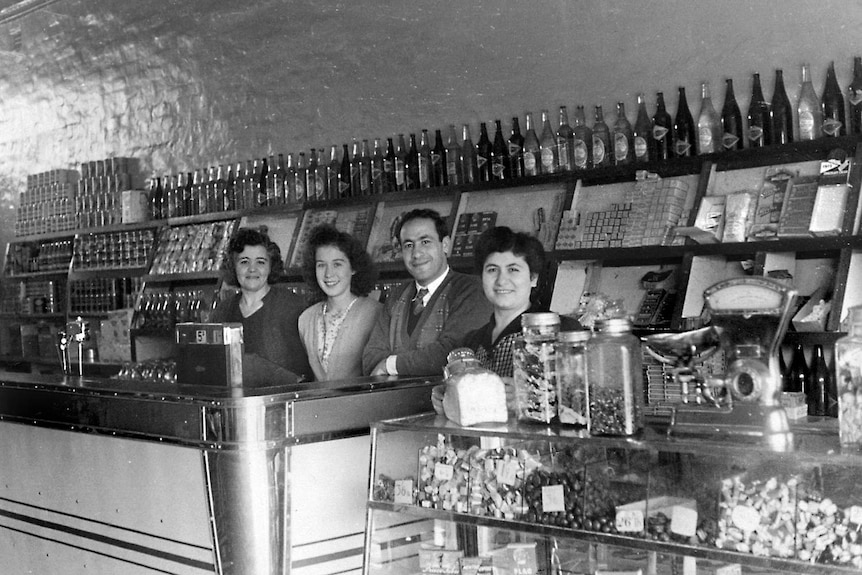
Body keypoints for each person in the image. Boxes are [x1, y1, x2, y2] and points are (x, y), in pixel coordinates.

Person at [433, 226, 578, 412]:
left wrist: (533, 399)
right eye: (492, 270)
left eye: (513, 270)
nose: (502, 280)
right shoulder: (472, 342)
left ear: (533, 278)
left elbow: (581, 401)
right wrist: (446, 396)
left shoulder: (562, 331)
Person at [362, 209, 492, 377]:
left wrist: (390, 364)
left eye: (425, 242)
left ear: (445, 245)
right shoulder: (396, 295)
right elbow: (371, 358)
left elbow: (453, 353)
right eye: (408, 245)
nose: (416, 253)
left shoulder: (470, 289)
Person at [211, 227, 312, 386]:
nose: (252, 269)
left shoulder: (294, 307)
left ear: (271, 266)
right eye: (244, 261)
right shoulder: (222, 312)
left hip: (285, 403)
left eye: (260, 261)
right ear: (233, 266)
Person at [298, 225, 383, 381]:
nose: (329, 273)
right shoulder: (306, 318)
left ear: (353, 268)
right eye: (321, 265)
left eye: (337, 264)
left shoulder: (375, 313)